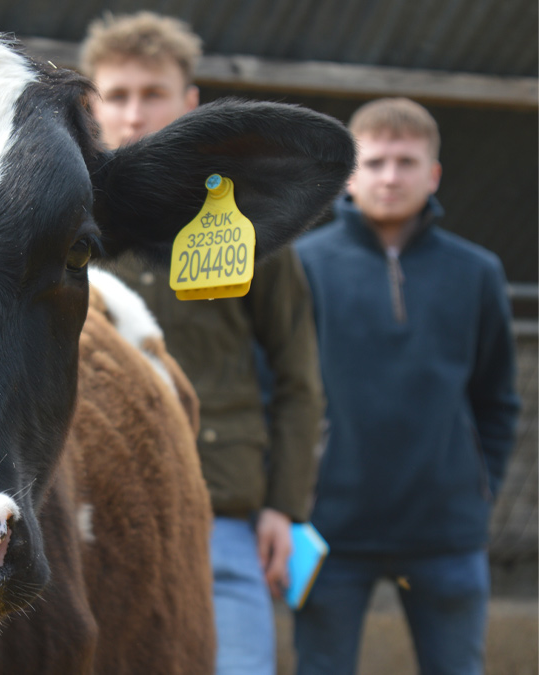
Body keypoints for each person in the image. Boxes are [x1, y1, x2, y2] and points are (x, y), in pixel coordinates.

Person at [81, 12, 324, 674]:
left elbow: (298, 375)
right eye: (118, 95)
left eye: (153, 93)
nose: (135, 113)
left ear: (191, 104)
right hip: (90, 513)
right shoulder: (57, 225)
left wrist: (286, 505)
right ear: (91, 105)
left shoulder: (243, 220)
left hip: (225, 518)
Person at [293, 98, 519, 675]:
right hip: (328, 530)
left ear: (433, 173)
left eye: (406, 162)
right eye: (375, 163)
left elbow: (497, 399)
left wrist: (477, 487)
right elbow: (282, 390)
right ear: (351, 174)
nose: (390, 177)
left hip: (446, 533)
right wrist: (295, 501)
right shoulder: (302, 266)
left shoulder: (477, 271)